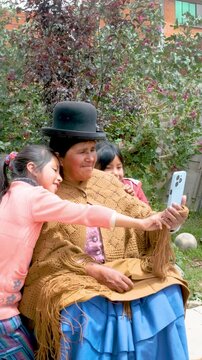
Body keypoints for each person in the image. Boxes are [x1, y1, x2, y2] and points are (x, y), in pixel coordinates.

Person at [19, 101, 190, 360]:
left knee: (168, 290)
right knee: (84, 310)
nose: (91, 158)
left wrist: (169, 220)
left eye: (93, 150)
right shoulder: (46, 189)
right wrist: (95, 270)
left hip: (122, 265)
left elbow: (141, 214)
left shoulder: (107, 182)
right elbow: (51, 246)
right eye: (82, 151)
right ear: (60, 157)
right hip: (71, 272)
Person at [0, 144, 166, 359]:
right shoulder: (34, 197)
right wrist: (141, 224)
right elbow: (85, 213)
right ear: (32, 168)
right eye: (54, 170)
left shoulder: (9, 194)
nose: (59, 178)